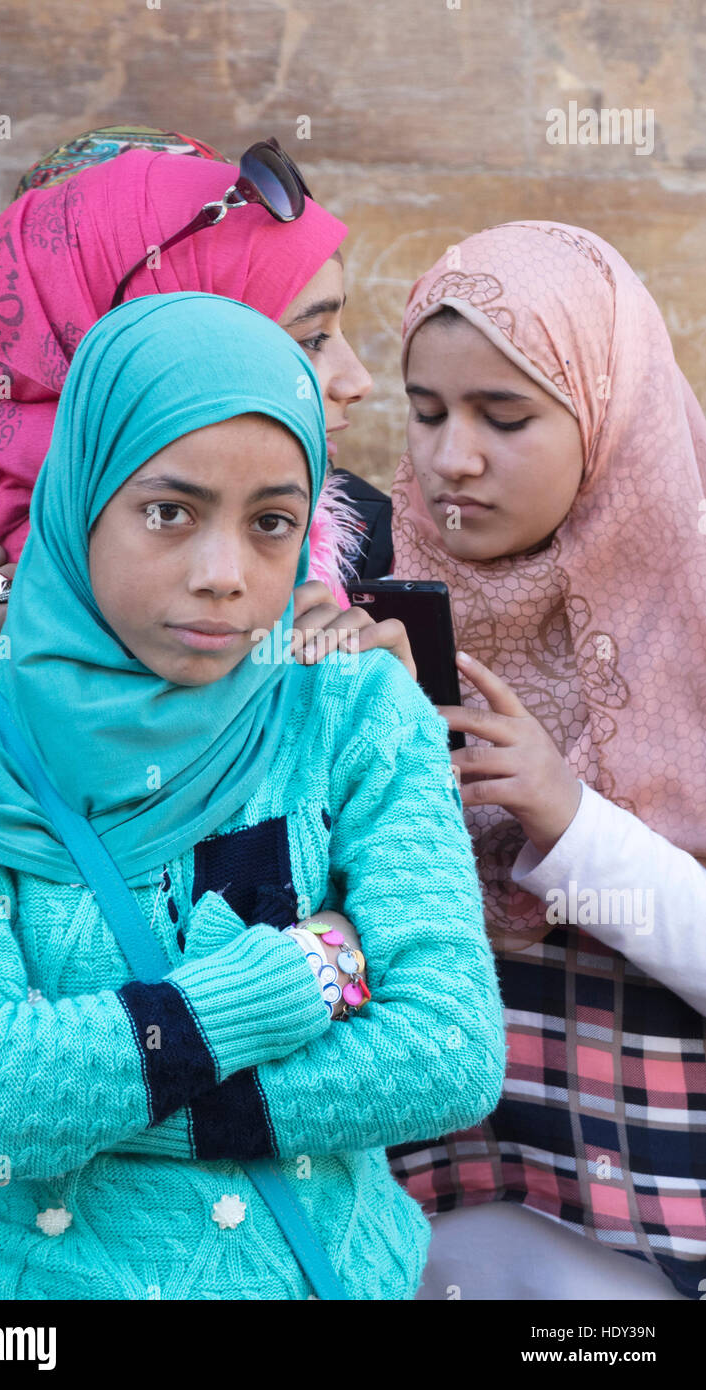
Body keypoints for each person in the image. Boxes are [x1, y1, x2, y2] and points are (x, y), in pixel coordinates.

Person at [0, 291, 505, 1300]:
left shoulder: (354, 714)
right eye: (169, 512)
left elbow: (447, 1049)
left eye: (273, 523)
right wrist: (294, 980)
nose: (225, 574)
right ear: (83, 495)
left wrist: (107, 1108)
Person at [385, 221, 706, 1300]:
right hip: (436, 1235)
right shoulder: (354, 593)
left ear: (609, 419)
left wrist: (571, 822)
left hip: (654, 1239)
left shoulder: (695, 614)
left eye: (504, 415)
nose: (449, 458)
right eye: (425, 413)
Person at [0, 125, 395, 697]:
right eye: (308, 339)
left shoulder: (336, 557)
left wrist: (387, 723)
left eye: (268, 524)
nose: (359, 380)